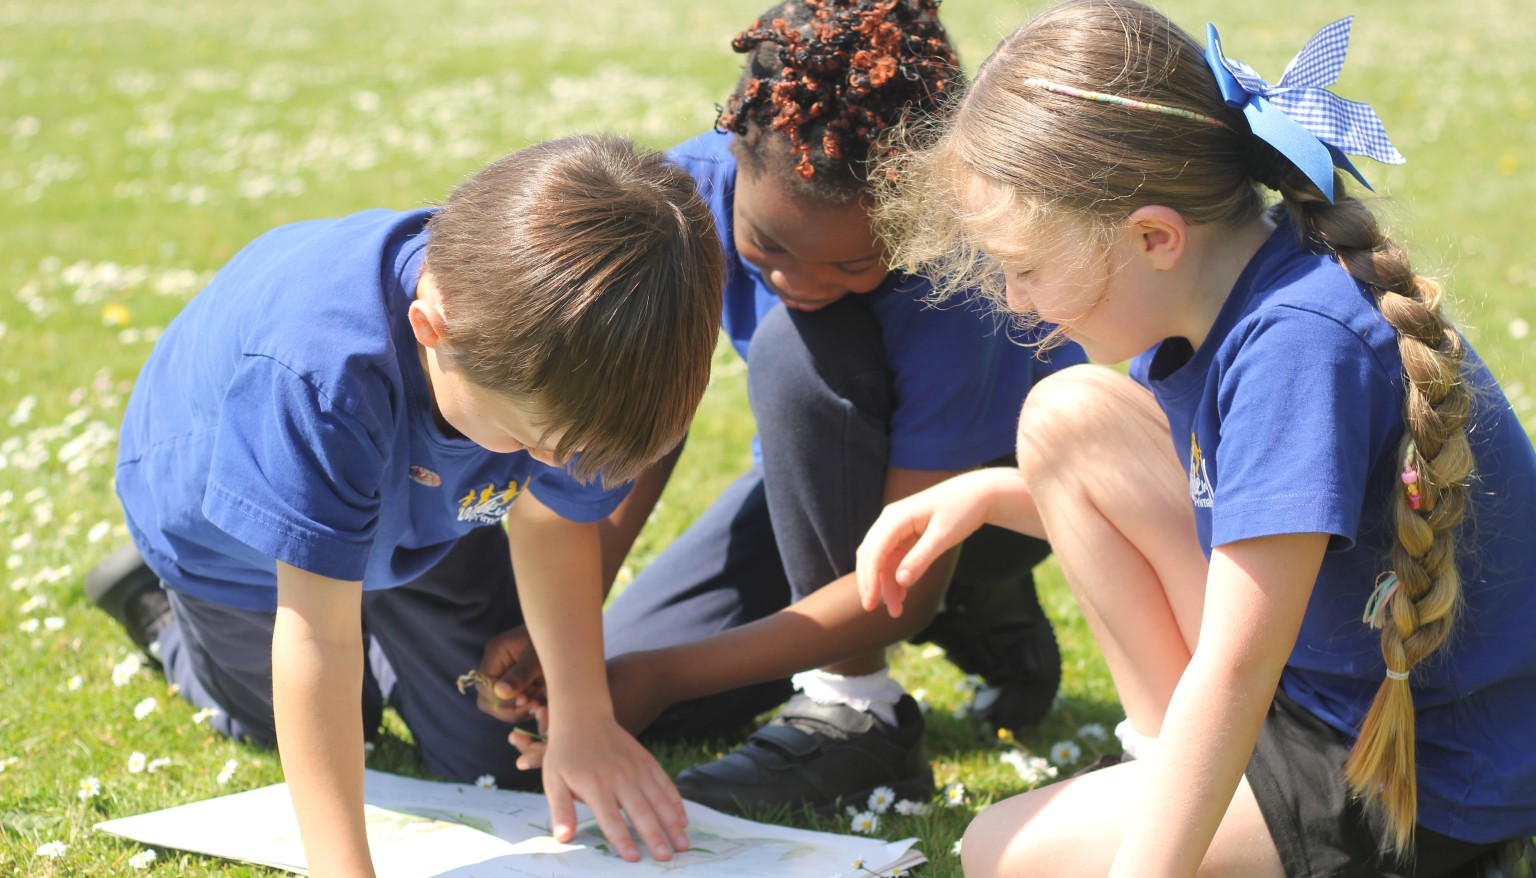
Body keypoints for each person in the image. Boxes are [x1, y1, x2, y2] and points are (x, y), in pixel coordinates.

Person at [856, 1, 1536, 875]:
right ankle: (1176, 781)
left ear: (1152, 237)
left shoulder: (1298, 345)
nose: (1016, 300)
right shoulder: (1229, 294)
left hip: (1420, 771)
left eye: (1024, 269)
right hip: (1319, 698)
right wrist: (986, 495)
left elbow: (1237, 666)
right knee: (1069, 421)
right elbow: (1236, 505)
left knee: (1004, 853)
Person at [481, 0, 1084, 818]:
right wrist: (574, 646)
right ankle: (961, 621)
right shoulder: (681, 208)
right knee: (621, 681)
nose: (798, 283)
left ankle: (867, 699)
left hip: (979, 506)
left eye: (853, 262)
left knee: (799, 350)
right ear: (734, 150)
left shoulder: (962, 287)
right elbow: (642, 432)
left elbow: (898, 574)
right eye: (768, 245)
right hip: (823, 491)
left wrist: (657, 677)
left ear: (917, 206)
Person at [85, 134, 725, 875]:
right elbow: (315, 640)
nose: (555, 468)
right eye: (530, 441)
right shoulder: (321, 375)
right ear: (432, 332)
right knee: (321, 720)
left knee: (489, 747)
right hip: (239, 549)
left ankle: (377, 600)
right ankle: (158, 611)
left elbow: (553, 521)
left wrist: (583, 715)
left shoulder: (586, 365)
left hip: (425, 518)